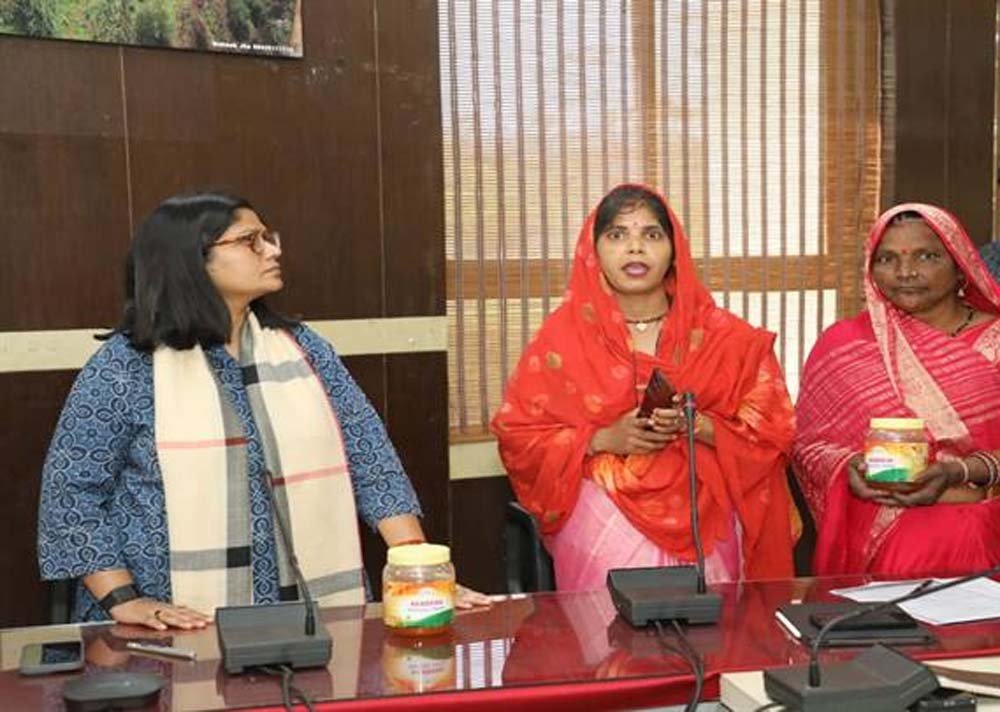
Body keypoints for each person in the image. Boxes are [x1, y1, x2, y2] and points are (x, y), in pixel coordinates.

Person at [37, 192, 488, 629]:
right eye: (249, 241)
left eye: (267, 237)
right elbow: (71, 492)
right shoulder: (126, 366)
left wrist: (421, 574)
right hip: (169, 616)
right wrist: (124, 599)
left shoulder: (303, 349)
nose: (272, 250)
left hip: (303, 608)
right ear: (192, 260)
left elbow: (372, 460)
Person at [491, 184, 797, 591]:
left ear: (674, 249)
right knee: (607, 626)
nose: (635, 248)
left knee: (713, 626)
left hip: (707, 511)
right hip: (601, 513)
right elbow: (519, 436)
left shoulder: (726, 338)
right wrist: (602, 438)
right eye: (617, 234)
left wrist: (698, 426)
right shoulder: (561, 340)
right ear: (593, 251)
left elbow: (773, 432)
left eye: (651, 234)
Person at [794, 203, 1000, 577]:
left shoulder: (995, 340)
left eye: (927, 256)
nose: (905, 272)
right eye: (887, 259)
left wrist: (959, 472)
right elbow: (809, 445)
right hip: (885, 542)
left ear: (961, 266)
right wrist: (848, 467)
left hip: (986, 539)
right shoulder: (844, 345)